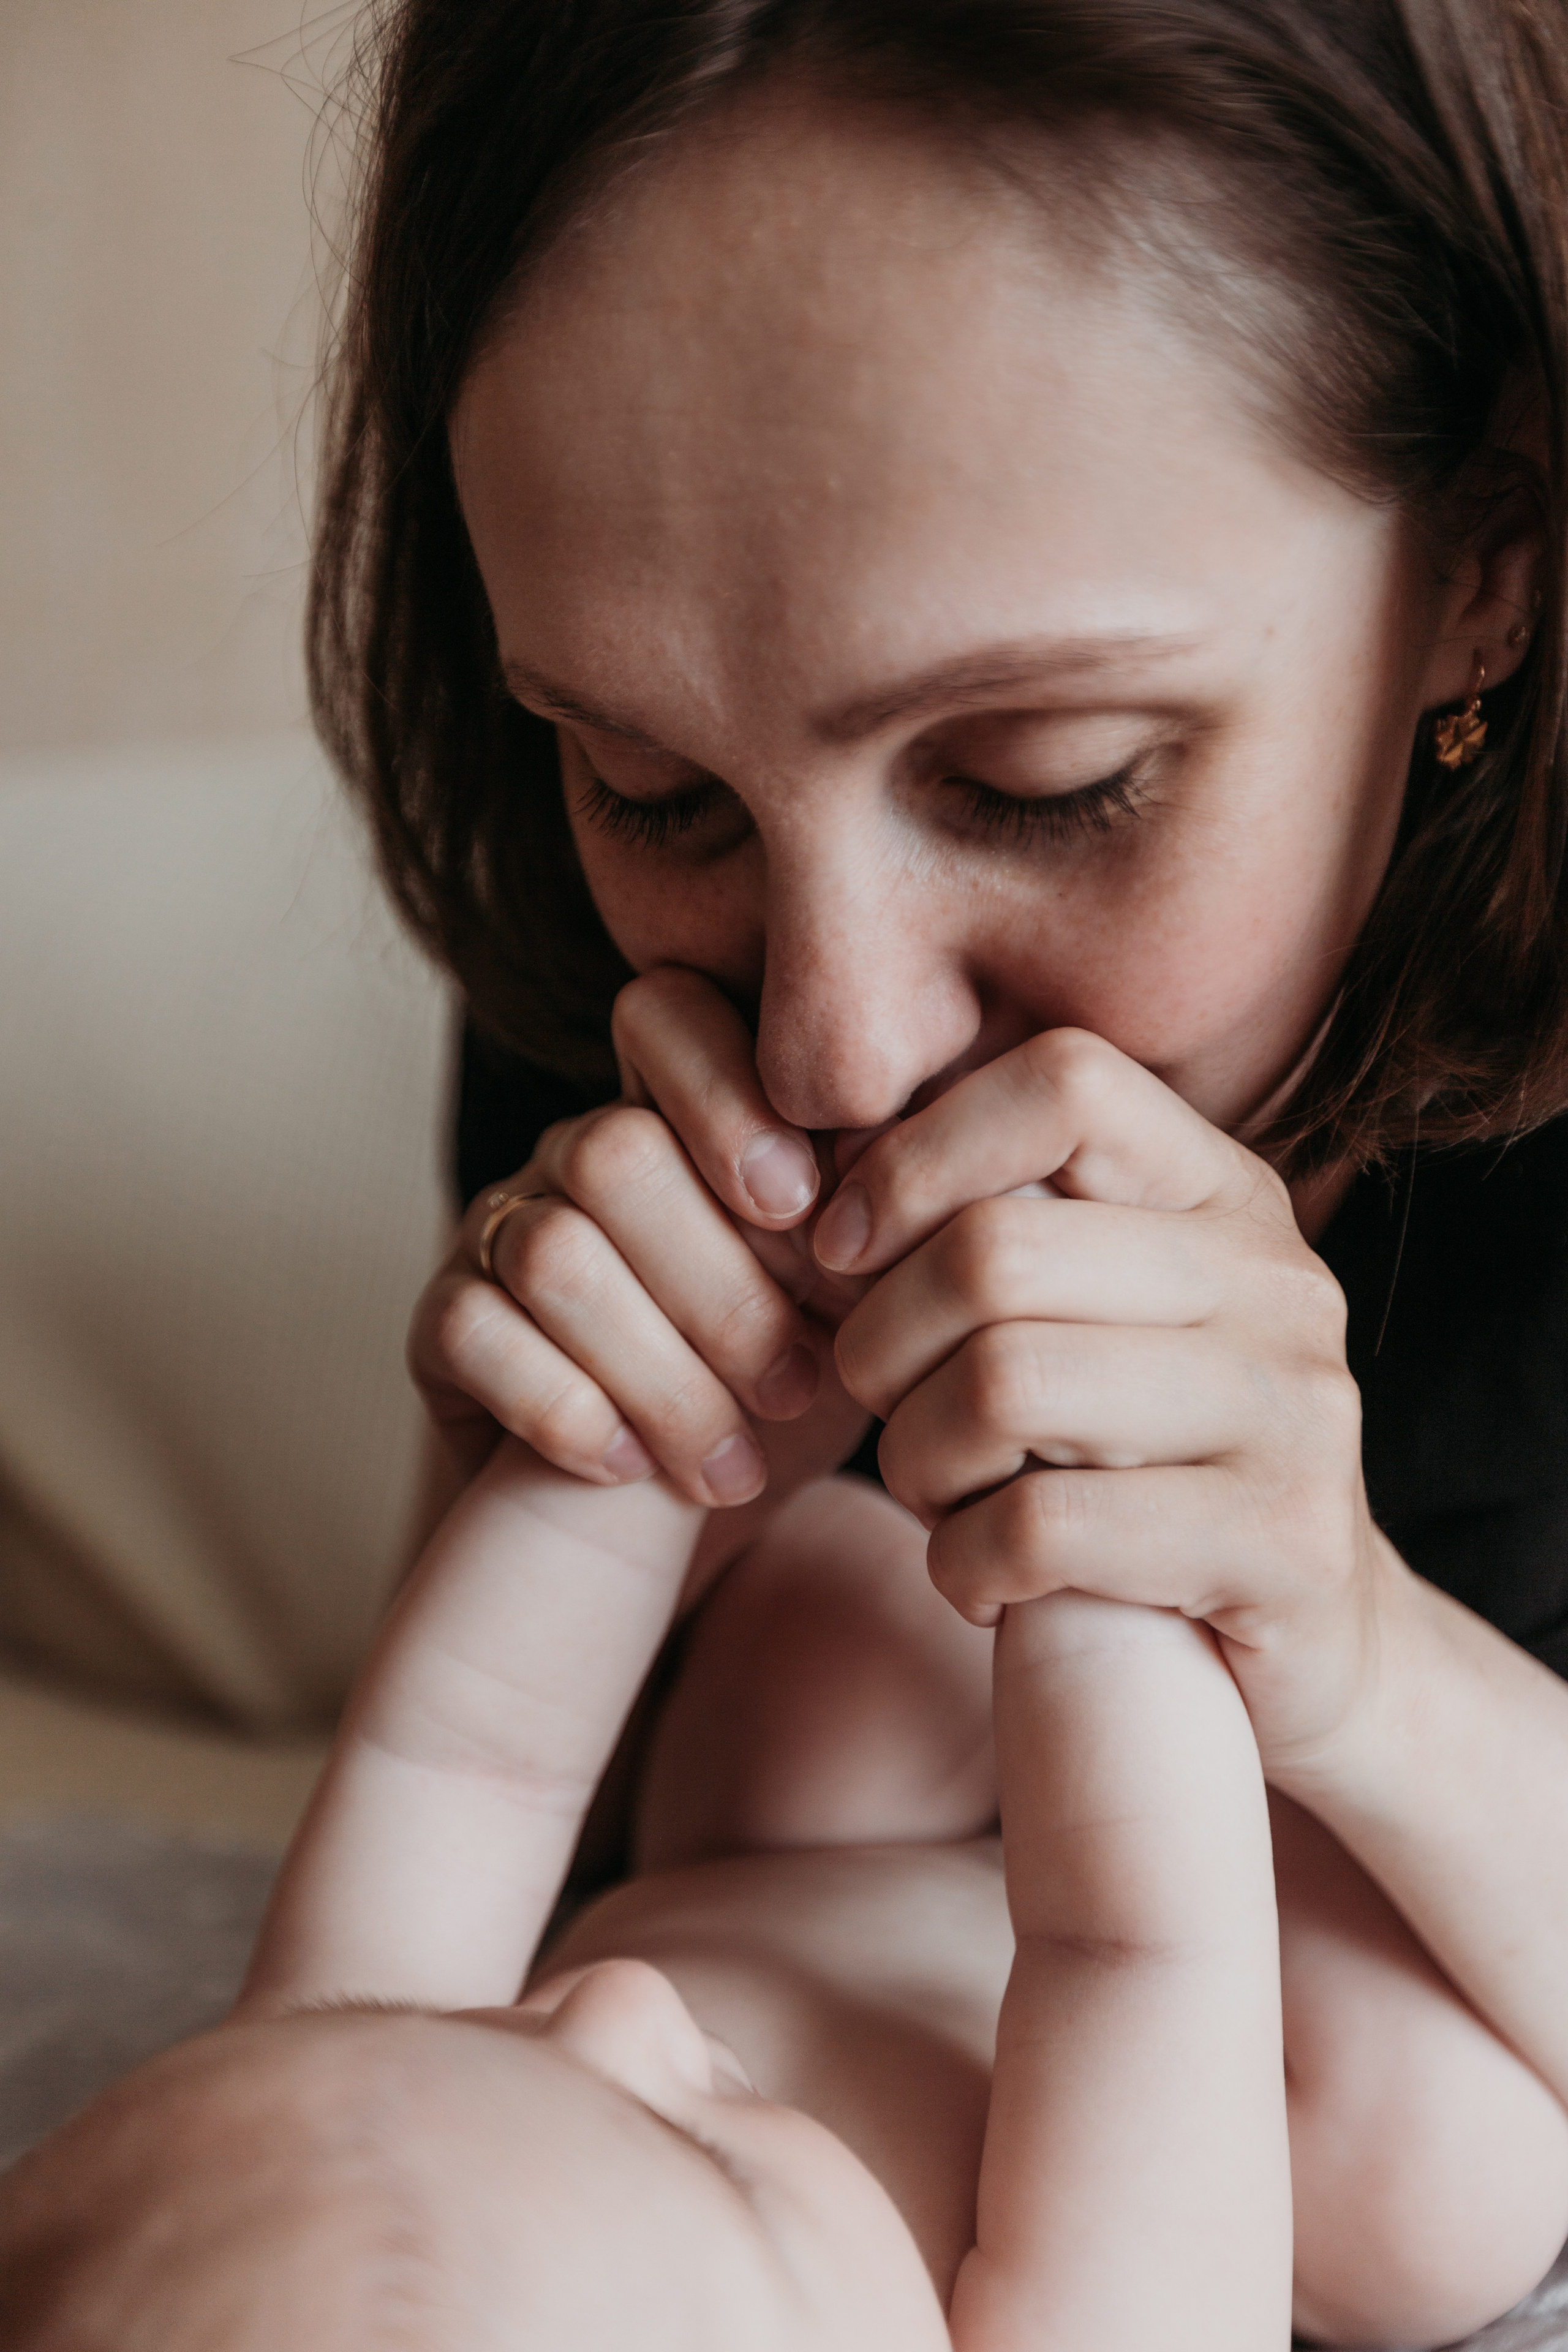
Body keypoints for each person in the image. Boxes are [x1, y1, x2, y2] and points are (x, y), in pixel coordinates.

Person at [0, 1435, 1295, 2350]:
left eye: (493, 2039)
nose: (611, 2001)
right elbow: (1132, 1950)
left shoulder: (325, 2152)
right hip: (1218, 1990)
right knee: (1437, 2153)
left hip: (775, 1867)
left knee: (835, 1595)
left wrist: (666, 1427)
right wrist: (1075, 1508)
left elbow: (462, 1767)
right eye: (712, 2164)